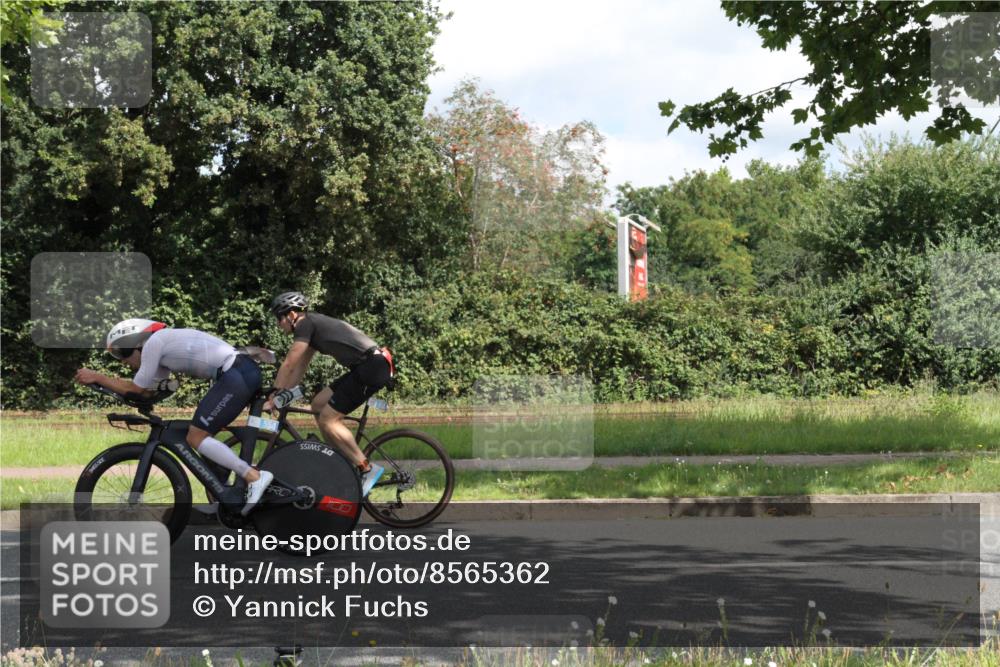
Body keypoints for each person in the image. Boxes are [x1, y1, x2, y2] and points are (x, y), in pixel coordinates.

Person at [74, 319, 273, 515]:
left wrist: (98, 377)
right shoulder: (161, 352)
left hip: (236, 373)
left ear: (136, 343)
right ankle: (223, 496)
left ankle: (254, 477)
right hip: (237, 372)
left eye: (122, 353)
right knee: (200, 433)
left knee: (196, 436)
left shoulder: (154, 343)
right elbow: (147, 393)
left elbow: (136, 388)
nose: (123, 361)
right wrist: (108, 388)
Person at [264, 291, 393, 496]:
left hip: (371, 368)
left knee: (328, 420)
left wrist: (272, 396)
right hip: (367, 366)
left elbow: (288, 363)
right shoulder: (311, 327)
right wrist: (283, 395)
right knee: (318, 404)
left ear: (291, 315)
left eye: (279, 318)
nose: (278, 324)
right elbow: (299, 367)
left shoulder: (304, 324)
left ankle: (366, 469)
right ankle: (339, 462)